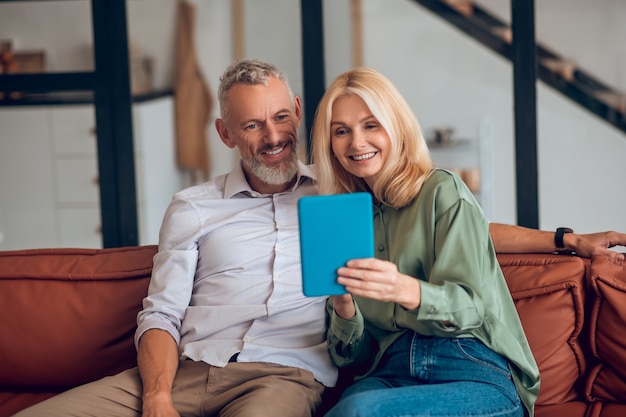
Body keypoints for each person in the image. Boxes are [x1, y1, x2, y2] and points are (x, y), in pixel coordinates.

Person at [11, 59, 625, 417]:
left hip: (321, 374)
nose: (273, 136)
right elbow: (163, 312)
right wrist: (161, 396)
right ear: (228, 134)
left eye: (281, 118)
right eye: (252, 124)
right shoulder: (223, 207)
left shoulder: (372, 194)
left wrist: (565, 239)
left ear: (297, 112)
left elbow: (458, 233)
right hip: (207, 364)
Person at [310, 67, 540, 417]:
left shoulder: (442, 191)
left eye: (371, 125)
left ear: (396, 127)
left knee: (357, 411)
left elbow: (472, 308)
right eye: (341, 131)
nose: (356, 142)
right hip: (388, 371)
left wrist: (405, 289)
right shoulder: (340, 219)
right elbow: (352, 359)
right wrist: (344, 307)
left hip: (470, 366)